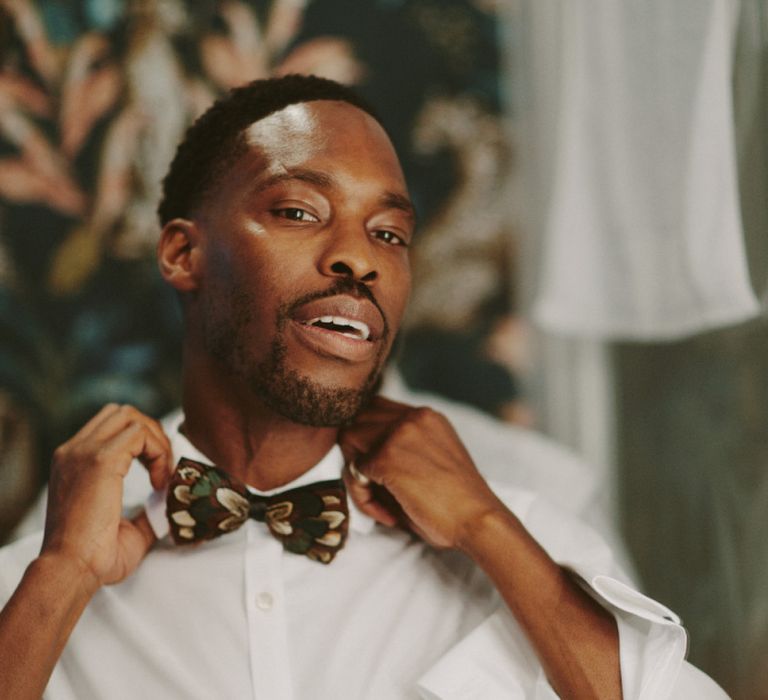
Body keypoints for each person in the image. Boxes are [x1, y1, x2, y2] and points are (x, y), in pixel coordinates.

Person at [0, 75, 727, 699]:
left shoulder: (524, 538)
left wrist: (487, 529)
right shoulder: (41, 578)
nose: (358, 258)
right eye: (298, 212)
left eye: (389, 234)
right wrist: (59, 578)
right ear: (184, 253)